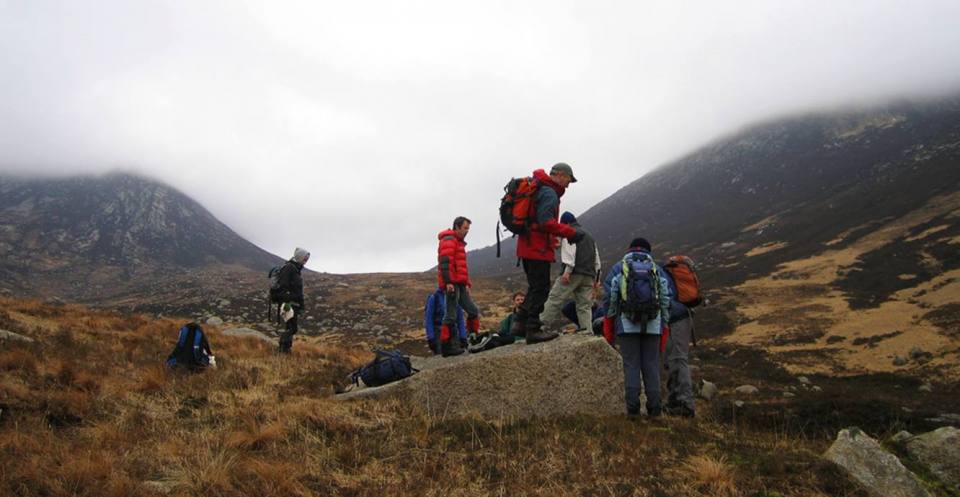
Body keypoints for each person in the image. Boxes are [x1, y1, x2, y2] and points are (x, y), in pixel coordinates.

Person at [511, 163, 584, 344]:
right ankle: (533, 330)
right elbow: (545, 222)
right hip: (537, 248)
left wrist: (552, 239)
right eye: (568, 179)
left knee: (535, 287)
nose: (568, 184)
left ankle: (520, 323)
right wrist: (570, 232)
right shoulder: (549, 192)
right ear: (559, 175)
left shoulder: (540, 188)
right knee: (542, 288)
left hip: (528, 245)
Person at [602, 238, 670, 417]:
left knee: (631, 365)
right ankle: (655, 410)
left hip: (627, 325)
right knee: (651, 366)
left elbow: (610, 298)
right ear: (648, 250)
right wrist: (664, 324)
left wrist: (610, 322)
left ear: (629, 249)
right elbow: (665, 299)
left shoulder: (619, 267)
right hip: (653, 325)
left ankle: (633, 411)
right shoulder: (656, 269)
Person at [540, 211, 601, 333]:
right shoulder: (589, 236)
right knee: (584, 306)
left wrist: (567, 271)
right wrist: (597, 279)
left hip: (573, 273)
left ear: (565, 223)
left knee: (555, 298)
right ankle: (587, 331)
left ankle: (542, 326)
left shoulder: (569, 232)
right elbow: (597, 260)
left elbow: (570, 252)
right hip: (589, 276)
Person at [437, 216, 481, 356]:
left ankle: (473, 338)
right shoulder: (449, 240)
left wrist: (466, 283)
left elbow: (461, 266)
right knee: (450, 315)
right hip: (452, 283)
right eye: (465, 228)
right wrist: (448, 282)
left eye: (468, 228)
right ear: (457, 227)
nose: (467, 231)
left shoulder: (459, 242)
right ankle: (446, 347)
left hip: (460, 284)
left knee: (473, 310)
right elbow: (445, 263)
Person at [663, 264, 696, 417]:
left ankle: (686, 404)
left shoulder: (656, 272)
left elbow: (666, 299)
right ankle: (674, 401)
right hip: (679, 317)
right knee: (673, 360)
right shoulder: (659, 270)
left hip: (676, 318)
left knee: (678, 359)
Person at [275, 247, 309, 354]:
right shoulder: (290, 268)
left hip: (293, 304)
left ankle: (285, 350)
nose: (305, 261)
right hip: (289, 304)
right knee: (291, 327)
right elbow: (283, 287)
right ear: (299, 257)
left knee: (291, 327)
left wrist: (301, 306)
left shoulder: (296, 269)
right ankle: (283, 350)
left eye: (306, 260)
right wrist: (287, 302)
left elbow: (298, 291)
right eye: (304, 259)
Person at [424, 287, 467, 355]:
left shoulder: (456, 297)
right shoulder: (434, 297)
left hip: (453, 333)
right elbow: (428, 319)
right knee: (442, 356)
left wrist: (463, 336)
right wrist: (431, 338)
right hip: (439, 334)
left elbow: (460, 318)